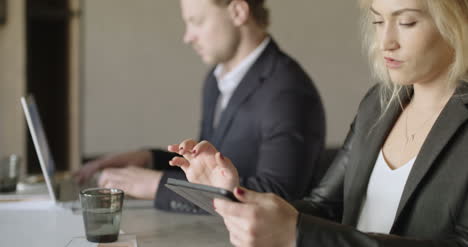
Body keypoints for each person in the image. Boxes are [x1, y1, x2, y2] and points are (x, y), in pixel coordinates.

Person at [168, 0, 468, 245]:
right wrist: (237, 200)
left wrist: (297, 233)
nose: (386, 41)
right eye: (378, 21)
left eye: (406, 22)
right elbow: (324, 207)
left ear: (457, 21)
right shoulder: (378, 103)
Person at [74, 0, 325, 213]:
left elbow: (278, 195)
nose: (187, 37)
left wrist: (158, 185)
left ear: (238, 12)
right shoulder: (215, 81)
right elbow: (207, 168)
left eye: (197, 21)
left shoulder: (288, 90)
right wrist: (149, 158)